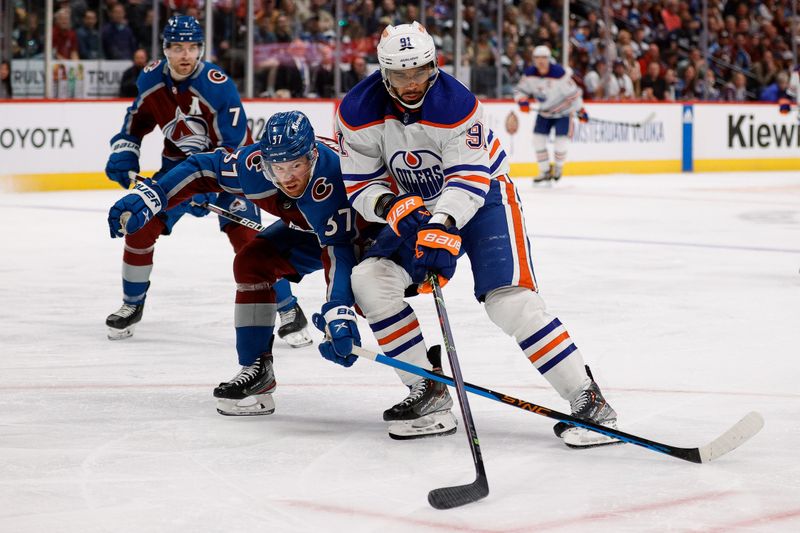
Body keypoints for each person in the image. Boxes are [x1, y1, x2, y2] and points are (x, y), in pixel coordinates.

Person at [334, 22, 619, 446]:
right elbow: (360, 183)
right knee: (371, 280)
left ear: (434, 65)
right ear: (383, 71)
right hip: (413, 205)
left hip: (484, 194)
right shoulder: (357, 111)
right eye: (401, 75)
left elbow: (469, 176)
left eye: (421, 71)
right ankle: (426, 389)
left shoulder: (455, 103)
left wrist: (440, 227)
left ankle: (587, 396)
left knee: (509, 301)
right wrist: (393, 207)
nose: (412, 84)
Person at [107, 111, 380, 416]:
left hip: (367, 237)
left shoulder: (332, 178)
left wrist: (339, 311)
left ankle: (423, 384)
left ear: (312, 157)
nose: (287, 177)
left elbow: (338, 253)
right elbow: (201, 168)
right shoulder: (253, 167)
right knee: (252, 262)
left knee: (377, 299)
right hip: (309, 232)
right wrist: (152, 197)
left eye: (296, 166)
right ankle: (256, 370)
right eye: (278, 167)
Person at [103, 15, 311, 348]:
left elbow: (232, 148)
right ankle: (132, 303)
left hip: (235, 172)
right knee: (140, 225)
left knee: (251, 243)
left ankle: (289, 309)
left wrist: (206, 184)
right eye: (177, 48)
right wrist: (126, 151)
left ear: (201, 49)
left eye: (192, 47)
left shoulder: (218, 85)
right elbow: (135, 120)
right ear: (165, 49)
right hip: (177, 168)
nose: (185, 55)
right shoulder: (150, 78)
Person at [513, 45, 588, 183]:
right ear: (533, 59)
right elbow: (520, 90)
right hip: (544, 113)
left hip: (563, 113)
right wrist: (522, 101)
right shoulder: (529, 74)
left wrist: (580, 110)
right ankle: (545, 171)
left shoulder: (559, 74)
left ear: (549, 59)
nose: (540, 61)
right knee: (537, 140)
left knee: (561, 143)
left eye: (543, 58)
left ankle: (558, 167)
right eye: (537, 58)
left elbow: (574, 95)